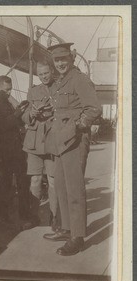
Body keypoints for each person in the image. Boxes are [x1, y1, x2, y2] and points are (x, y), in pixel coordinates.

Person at [43, 43, 102, 256]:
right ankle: (66, 228)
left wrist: (77, 126)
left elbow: (94, 108)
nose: (60, 64)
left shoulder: (79, 79)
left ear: (71, 59)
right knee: (61, 186)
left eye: (63, 60)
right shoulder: (60, 82)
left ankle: (77, 237)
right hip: (61, 142)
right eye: (56, 60)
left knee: (75, 190)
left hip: (75, 141)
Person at [21, 59, 60, 229]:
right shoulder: (33, 91)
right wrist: (32, 113)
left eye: (46, 73)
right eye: (40, 74)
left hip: (52, 139)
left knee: (53, 180)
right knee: (35, 180)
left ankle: (55, 217)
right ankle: (33, 217)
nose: (44, 76)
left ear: (52, 72)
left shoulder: (59, 88)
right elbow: (25, 115)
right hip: (34, 141)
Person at [0, 76, 31, 225]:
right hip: (4, 152)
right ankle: (4, 218)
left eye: (10, 89)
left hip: (16, 150)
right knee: (5, 186)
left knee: (23, 184)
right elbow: (1, 126)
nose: (8, 92)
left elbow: (15, 123)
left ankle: (24, 216)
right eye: (6, 90)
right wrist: (17, 114)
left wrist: (21, 111)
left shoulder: (9, 105)